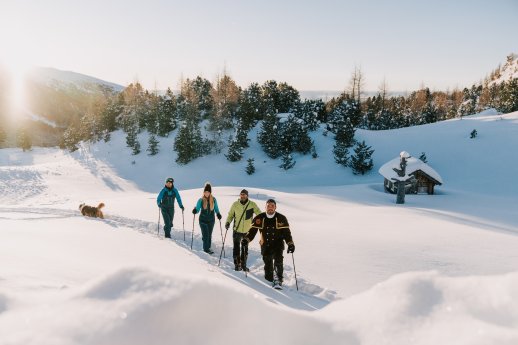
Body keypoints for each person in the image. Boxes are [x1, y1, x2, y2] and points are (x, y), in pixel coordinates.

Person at [242, 199, 295, 287]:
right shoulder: (259, 218)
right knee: (268, 263)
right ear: (265, 207)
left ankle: (279, 279)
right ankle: (269, 280)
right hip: (265, 244)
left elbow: (287, 233)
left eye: (272, 206)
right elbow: (252, 232)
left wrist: (290, 244)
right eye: (268, 206)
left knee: (278, 260)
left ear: (275, 207)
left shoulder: (281, 218)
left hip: (278, 243)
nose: (270, 208)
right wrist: (246, 239)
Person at [225, 189, 261, 271]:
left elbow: (259, 214)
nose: (243, 196)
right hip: (237, 230)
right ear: (240, 195)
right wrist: (227, 222)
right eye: (241, 194)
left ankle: (243, 265)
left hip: (247, 231)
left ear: (247, 195)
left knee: (245, 249)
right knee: (236, 248)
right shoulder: (235, 204)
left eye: (244, 194)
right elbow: (230, 215)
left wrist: (260, 221)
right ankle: (237, 265)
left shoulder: (252, 204)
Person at [192, 182, 222, 254]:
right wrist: (195, 210)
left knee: (209, 235)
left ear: (210, 192)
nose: (207, 193)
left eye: (208, 192)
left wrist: (218, 214)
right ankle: (206, 250)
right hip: (202, 220)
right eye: (205, 192)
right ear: (204, 192)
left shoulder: (213, 200)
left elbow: (216, 208)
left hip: (211, 220)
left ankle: (208, 247)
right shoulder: (201, 200)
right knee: (206, 235)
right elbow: (198, 209)